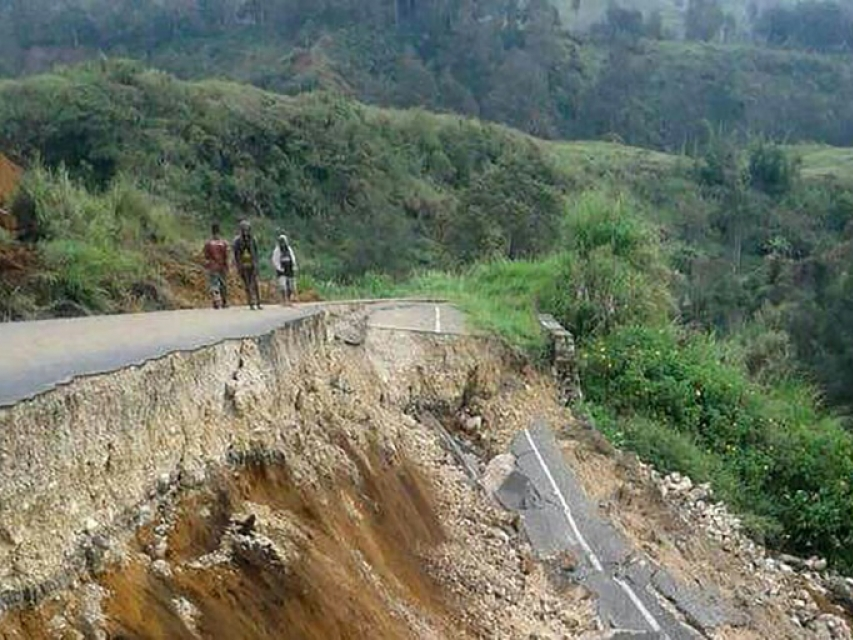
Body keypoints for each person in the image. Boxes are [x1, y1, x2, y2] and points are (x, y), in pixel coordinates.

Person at [233, 219, 262, 310]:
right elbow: (236, 254)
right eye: (243, 229)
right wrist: (238, 266)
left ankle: (258, 302)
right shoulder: (237, 241)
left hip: (252, 264)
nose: (245, 231)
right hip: (243, 265)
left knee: (255, 284)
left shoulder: (253, 240)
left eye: (247, 229)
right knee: (247, 285)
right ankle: (251, 303)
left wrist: (256, 264)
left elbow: (256, 253)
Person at [203, 222, 229, 309]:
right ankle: (224, 302)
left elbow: (206, 256)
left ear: (211, 231)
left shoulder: (208, 243)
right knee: (223, 284)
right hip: (222, 266)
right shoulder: (223, 243)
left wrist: (207, 265)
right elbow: (226, 256)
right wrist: (227, 266)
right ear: (219, 231)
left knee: (214, 284)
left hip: (213, 267)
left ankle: (216, 302)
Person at [271, 234, 298, 305]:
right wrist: (279, 268)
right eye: (281, 242)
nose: (283, 244)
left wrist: (294, 266)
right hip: (281, 271)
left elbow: (293, 258)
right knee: (283, 286)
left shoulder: (289, 249)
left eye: (284, 242)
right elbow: (275, 260)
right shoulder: (277, 250)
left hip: (289, 270)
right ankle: (283, 300)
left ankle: (289, 300)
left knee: (291, 286)